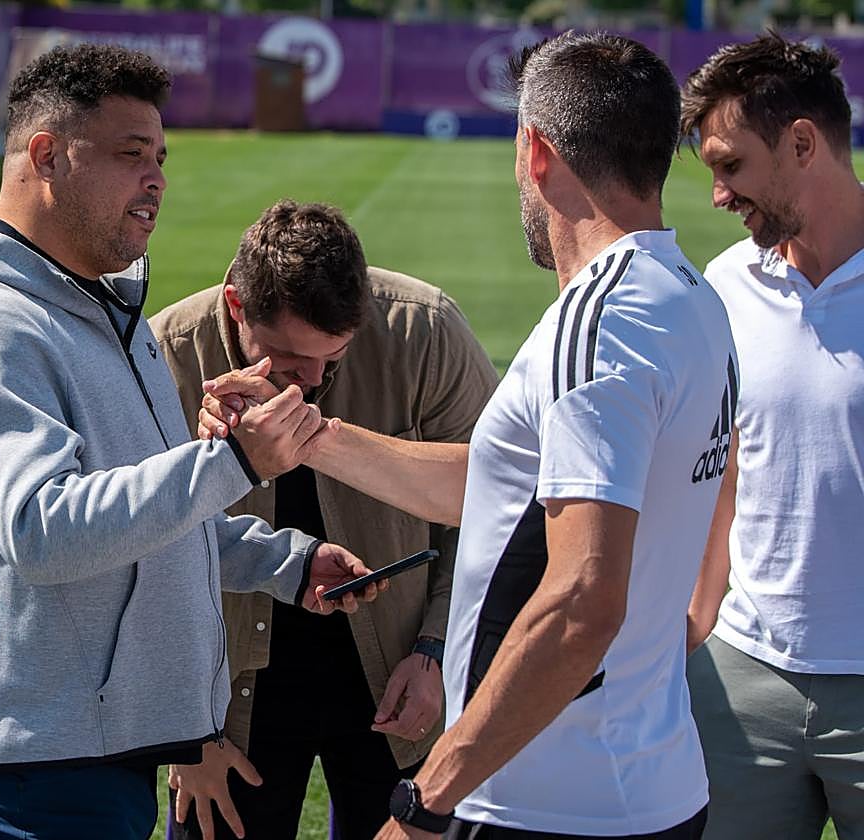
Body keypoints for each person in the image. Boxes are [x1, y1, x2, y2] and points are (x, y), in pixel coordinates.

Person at [202, 32, 736, 839]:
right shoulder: (692, 300)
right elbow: (500, 489)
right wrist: (309, 435)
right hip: (639, 782)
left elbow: (583, 600)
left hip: (548, 800)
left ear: (536, 152)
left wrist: (428, 799)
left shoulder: (600, 323)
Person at [0, 44, 380, 840]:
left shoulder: (101, 313)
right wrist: (236, 460)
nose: (158, 180)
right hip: (23, 769)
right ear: (46, 155)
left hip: (84, 749)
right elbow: (46, 529)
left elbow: (142, 518)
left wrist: (284, 563)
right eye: (130, 154)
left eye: (161, 157)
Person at [151, 199, 498, 840]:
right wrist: (184, 737)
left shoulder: (424, 329)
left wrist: (437, 652)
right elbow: (142, 557)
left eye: (333, 356)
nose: (310, 380)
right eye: (286, 359)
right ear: (235, 306)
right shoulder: (166, 354)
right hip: (227, 706)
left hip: (400, 681)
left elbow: (496, 513)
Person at [680, 33, 864, 840]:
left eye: (730, 165)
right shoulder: (723, 286)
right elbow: (724, 468)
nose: (719, 194)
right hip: (742, 679)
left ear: (801, 142)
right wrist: (697, 622)